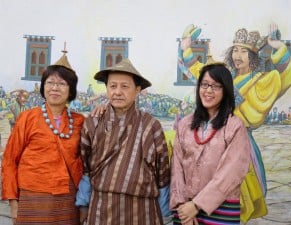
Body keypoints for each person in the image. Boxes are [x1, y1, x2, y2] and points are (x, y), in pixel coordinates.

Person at [178, 24, 291, 197]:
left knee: (238, 194)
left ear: (252, 56)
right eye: (235, 50)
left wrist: (279, 48)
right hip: (215, 138)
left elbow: (287, 77)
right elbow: (201, 72)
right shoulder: (226, 74)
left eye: (243, 51)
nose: (238, 55)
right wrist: (186, 48)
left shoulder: (262, 79)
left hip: (240, 141)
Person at [76, 58, 170, 225]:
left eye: (125, 86)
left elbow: (162, 173)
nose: (117, 92)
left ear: (137, 90)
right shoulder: (93, 122)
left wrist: (164, 213)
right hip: (101, 209)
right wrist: (83, 203)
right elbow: (85, 167)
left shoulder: (151, 125)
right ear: (106, 89)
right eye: (113, 86)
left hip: (142, 211)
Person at [1, 51, 85, 225]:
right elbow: (9, 160)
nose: (55, 88)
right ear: (43, 87)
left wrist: (84, 204)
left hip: (68, 200)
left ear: (71, 90)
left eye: (62, 83)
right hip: (32, 198)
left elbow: (88, 162)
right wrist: (13, 203)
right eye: (50, 83)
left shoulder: (79, 121)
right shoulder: (27, 118)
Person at [170, 63, 251, 224]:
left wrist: (197, 204)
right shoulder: (185, 124)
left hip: (221, 208)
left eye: (215, 86)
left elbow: (232, 172)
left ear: (226, 90)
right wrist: (182, 205)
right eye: (204, 84)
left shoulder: (235, 126)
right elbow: (176, 167)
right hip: (185, 211)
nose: (208, 91)